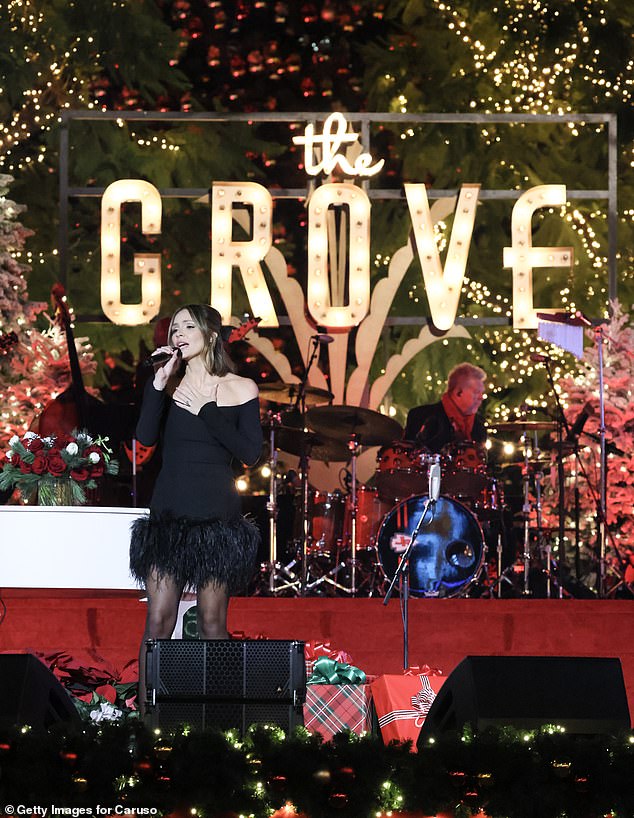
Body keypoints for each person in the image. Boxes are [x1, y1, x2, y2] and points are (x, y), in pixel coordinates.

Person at [130, 304, 263, 712]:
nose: (178, 334)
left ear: (210, 334)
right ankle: (145, 717)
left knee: (211, 623)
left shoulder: (240, 387)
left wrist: (206, 409)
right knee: (159, 619)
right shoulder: (169, 385)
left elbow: (250, 454)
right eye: (174, 328)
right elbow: (144, 438)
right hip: (169, 512)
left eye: (188, 326)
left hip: (216, 518)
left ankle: (221, 719)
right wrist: (158, 384)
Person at [403, 362, 487, 453]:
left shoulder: (479, 425)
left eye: (481, 393)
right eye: (476, 392)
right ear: (458, 392)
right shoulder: (421, 416)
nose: (481, 397)